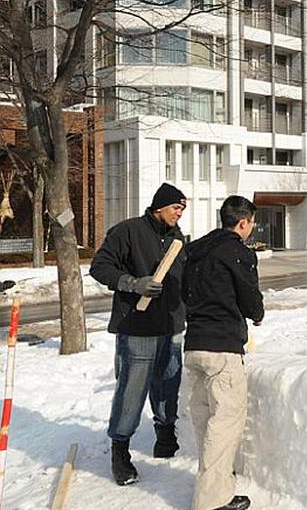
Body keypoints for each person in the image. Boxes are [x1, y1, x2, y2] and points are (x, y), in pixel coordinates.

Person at [89, 183, 188, 486]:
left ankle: (165, 434)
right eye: (176, 207)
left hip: (171, 325)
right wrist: (133, 284)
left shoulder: (177, 238)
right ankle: (120, 451)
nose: (179, 213)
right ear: (160, 206)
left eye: (182, 209)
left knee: (169, 383)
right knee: (132, 390)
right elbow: (99, 267)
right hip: (137, 327)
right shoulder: (127, 231)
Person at [182, 196, 264, 510]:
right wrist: (256, 312)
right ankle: (212, 501)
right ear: (242, 223)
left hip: (195, 345)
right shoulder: (237, 252)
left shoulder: (195, 251)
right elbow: (249, 297)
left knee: (205, 421)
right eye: (252, 223)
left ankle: (217, 484)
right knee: (225, 422)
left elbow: (182, 293)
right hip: (222, 348)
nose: (251, 229)